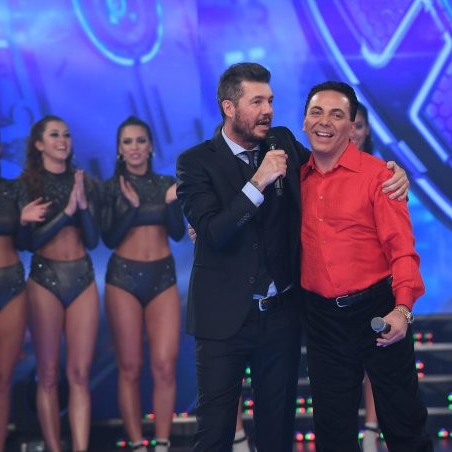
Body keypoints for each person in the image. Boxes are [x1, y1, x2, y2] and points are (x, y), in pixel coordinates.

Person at [175, 62, 409, 451]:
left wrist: (391, 171)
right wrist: (259, 181)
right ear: (229, 107)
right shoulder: (195, 161)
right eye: (256, 102)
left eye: (270, 100)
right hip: (222, 318)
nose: (267, 110)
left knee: (277, 432)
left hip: (281, 315)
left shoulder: (281, 140)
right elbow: (214, 233)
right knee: (214, 432)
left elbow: (328, 165)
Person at [300, 81, 432, 452]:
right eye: (316, 112)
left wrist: (402, 310)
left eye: (336, 115)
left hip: (377, 310)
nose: (325, 122)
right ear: (304, 121)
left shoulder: (380, 177)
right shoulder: (292, 177)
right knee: (333, 436)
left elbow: (402, 250)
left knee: (404, 427)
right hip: (322, 319)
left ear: (352, 127)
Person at [101, 116, 185, 452]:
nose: (134, 148)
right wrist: (133, 207)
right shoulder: (111, 188)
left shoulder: (166, 183)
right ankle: (137, 444)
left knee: (164, 366)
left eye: (140, 141)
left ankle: (162, 443)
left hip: (162, 277)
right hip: (123, 278)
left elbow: (177, 233)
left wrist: (171, 202)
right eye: (127, 142)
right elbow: (108, 238)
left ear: (150, 146)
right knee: (130, 367)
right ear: (119, 150)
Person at [18, 115, 101, 452]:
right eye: (54, 135)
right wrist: (67, 211)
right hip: (44, 278)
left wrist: (82, 206)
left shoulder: (83, 181)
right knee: (49, 373)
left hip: (82, 275)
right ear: (39, 144)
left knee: (79, 374)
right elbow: (28, 241)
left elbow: (93, 240)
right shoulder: (26, 185)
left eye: (66, 134)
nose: (62, 140)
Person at [0, 125, 50, 452]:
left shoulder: (14, 189)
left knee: (3, 379)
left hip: (12, 283)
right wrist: (17, 219)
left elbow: (26, 242)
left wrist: (23, 223)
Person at [351, 102, 381, 452]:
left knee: (374, 360)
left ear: (367, 130)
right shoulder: (316, 171)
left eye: (359, 126)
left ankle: (372, 431)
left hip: (374, 282)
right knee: (347, 366)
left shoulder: (384, 172)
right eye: (350, 125)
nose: (354, 132)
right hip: (335, 288)